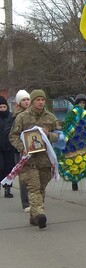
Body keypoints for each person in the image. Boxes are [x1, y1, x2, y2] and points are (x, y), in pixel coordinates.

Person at [9, 90, 61, 229]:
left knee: (41, 188)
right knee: (34, 188)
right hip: (29, 161)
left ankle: (34, 216)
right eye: (37, 100)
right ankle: (39, 214)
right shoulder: (23, 117)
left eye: (42, 100)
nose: (40, 102)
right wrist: (22, 147)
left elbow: (60, 135)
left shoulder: (50, 117)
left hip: (45, 160)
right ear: (32, 101)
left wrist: (48, 134)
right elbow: (13, 135)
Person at [4, 90, 31, 211]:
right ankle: (26, 204)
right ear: (19, 103)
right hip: (20, 151)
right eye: (23, 100)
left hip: (34, 149)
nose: (26, 102)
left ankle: (36, 199)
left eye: (28, 99)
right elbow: (8, 132)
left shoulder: (33, 114)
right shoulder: (14, 116)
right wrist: (20, 140)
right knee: (24, 177)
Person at [70, 95, 86, 193]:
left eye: (84, 103)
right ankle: (74, 182)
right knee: (75, 163)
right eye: (80, 103)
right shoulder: (72, 114)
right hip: (74, 141)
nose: (82, 105)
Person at [0, 95, 15, 198]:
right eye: (0, 107)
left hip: (9, 147)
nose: (2, 109)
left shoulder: (11, 117)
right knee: (0, 167)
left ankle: (7, 189)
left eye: (4, 107)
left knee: (9, 169)